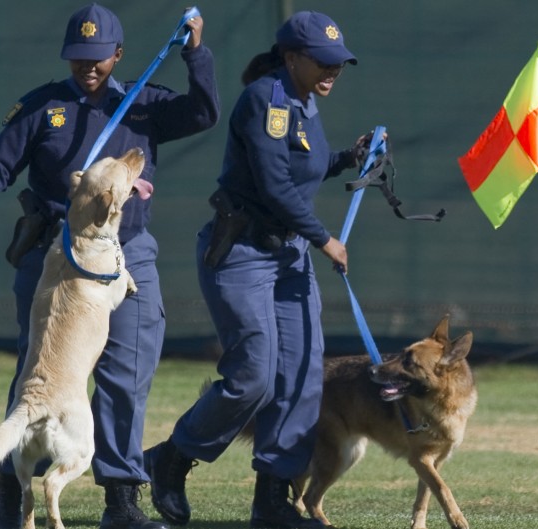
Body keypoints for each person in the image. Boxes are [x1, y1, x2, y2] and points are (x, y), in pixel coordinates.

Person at [0, 4, 219, 529]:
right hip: (54, 255)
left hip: (125, 253)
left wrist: (196, 53)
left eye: (98, 58)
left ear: (117, 55)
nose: (88, 67)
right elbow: (0, 166)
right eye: (79, 57)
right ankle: (11, 492)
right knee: (39, 373)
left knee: (127, 373)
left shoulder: (142, 103)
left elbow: (203, 113)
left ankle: (120, 501)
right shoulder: (44, 105)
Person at [143, 10, 370, 529]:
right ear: (291, 58)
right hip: (243, 251)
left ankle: (273, 501)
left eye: (339, 63)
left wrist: (348, 159)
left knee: (301, 377)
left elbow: (303, 166)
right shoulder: (265, 100)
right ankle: (171, 458)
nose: (333, 71)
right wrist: (325, 239)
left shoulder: (305, 101)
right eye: (323, 62)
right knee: (253, 377)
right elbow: (273, 185)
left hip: (288, 258)